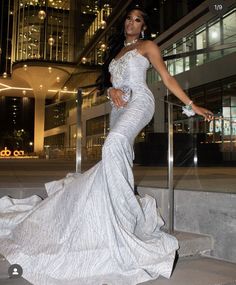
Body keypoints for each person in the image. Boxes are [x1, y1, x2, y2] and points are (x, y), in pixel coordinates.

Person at [0, 7, 213, 285]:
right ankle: (110, 210)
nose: (131, 23)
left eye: (138, 19)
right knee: (118, 154)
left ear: (143, 27)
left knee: (112, 144)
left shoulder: (148, 46)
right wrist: (111, 90)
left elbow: (167, 78)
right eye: (129, 18)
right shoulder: (115, 55)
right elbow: (112, 84)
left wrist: (191, 104)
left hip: (140, 101)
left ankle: (124, 217)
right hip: (117, 107)